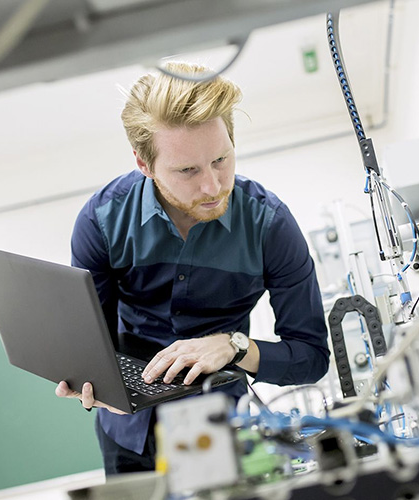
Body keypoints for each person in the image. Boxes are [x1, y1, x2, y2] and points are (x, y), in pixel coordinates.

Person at [55, 62, 330, 475]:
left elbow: (311, 357)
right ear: (144, 164)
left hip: (224, 431)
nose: (213, 186)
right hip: (126, 432)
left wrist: (236, 346)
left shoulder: (270, 226)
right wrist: (84, 375)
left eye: (221, 159)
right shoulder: (102, 221)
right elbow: (93, 340)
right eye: (187, 170)